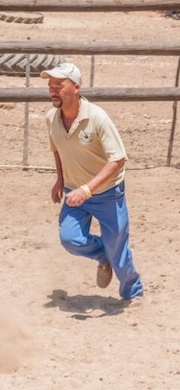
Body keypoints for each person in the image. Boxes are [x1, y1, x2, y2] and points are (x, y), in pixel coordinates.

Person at [40, 62, 143, 302]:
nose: (53, 90)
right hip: (74, 190)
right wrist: (60, 179)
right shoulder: (50, 118)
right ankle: (102, 256)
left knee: (119, 250)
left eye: (59, 85)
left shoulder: (97, 118)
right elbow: (58, 149)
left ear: (76, 87)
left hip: (107, 193)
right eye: (50, 85)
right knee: (71, 239)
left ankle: (133, 292)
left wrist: (87, 189)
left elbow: (118, 160)